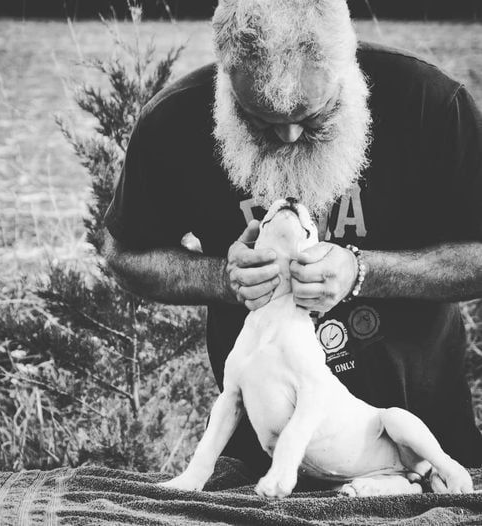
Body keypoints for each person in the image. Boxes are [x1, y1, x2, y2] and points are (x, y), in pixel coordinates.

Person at [103, 0, 482, 474]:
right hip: (262, 451)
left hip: (419, 439)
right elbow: (124, 253)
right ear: (227, 77)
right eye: (259, 119)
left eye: (313, 114)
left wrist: (364, 271)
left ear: (346, 65)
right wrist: (223, 279)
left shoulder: (430, 104)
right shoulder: (172, 121)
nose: (288, 135)